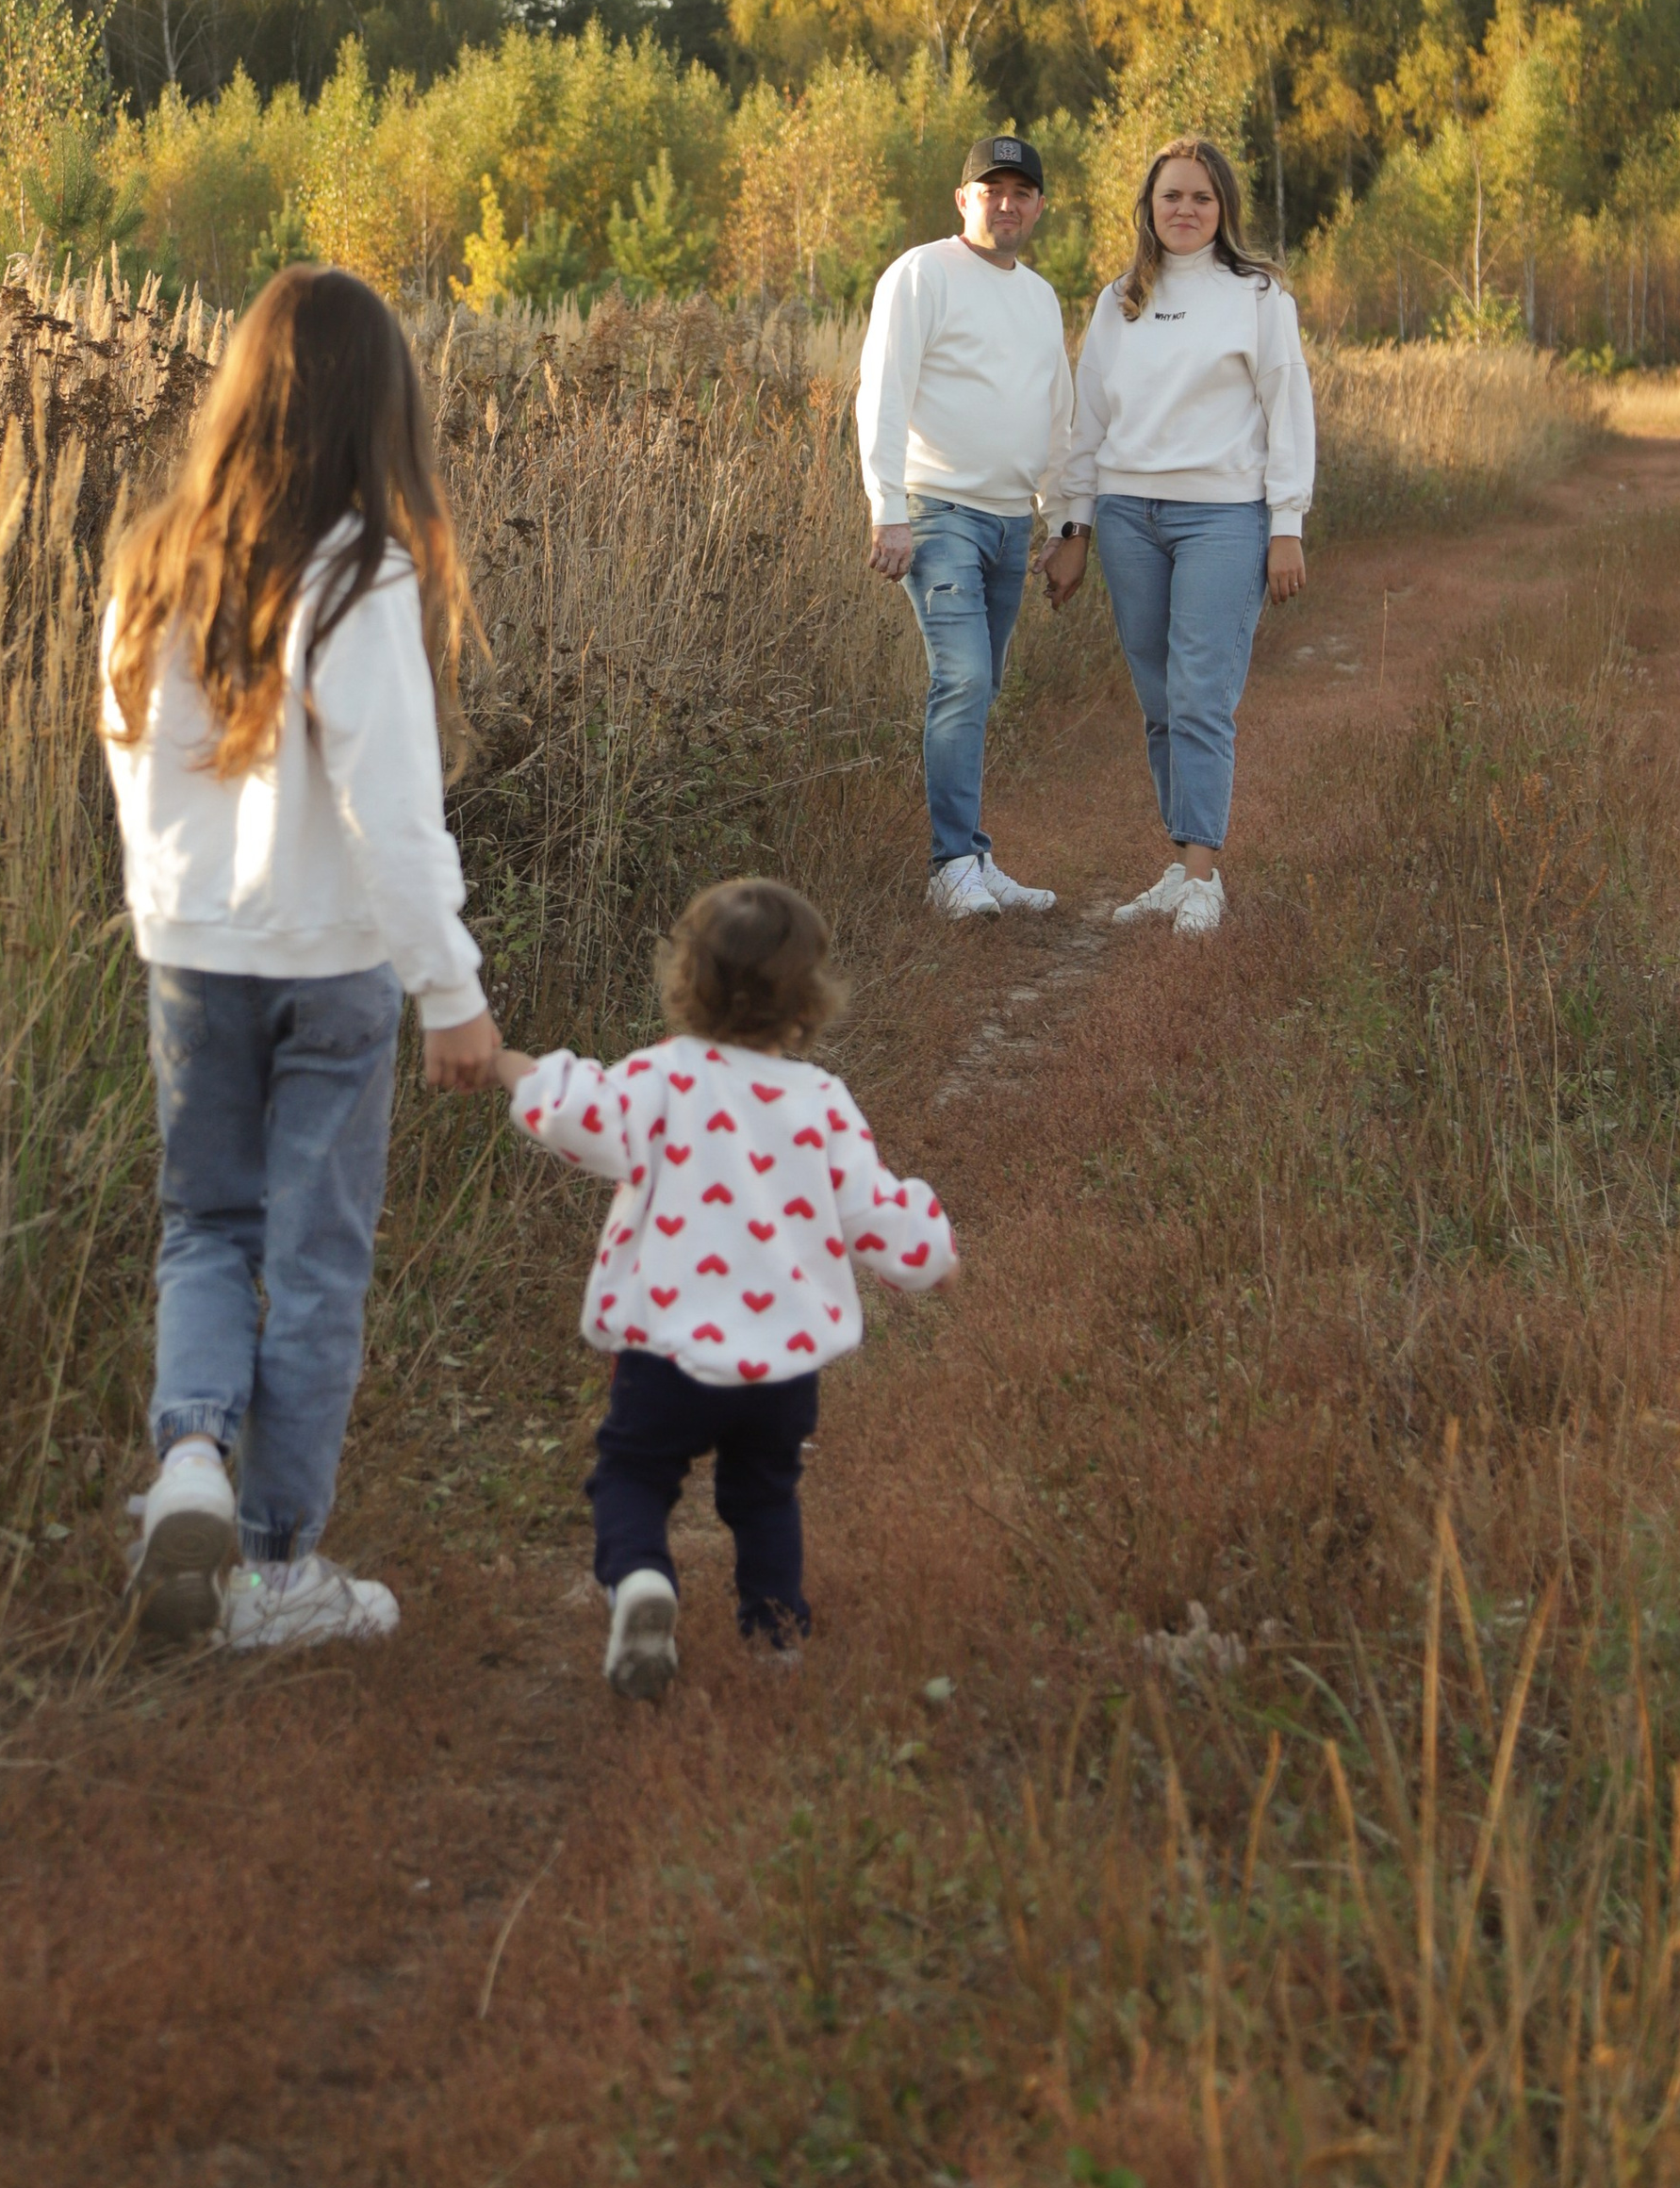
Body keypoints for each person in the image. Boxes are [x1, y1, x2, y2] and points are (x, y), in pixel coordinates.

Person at [100, 266, 503, 1654]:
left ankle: (192, 1460)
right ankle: (272, 1571)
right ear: (373, 404)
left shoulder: (159, 557)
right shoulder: (362, 570)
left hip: (192, 957)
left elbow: (133, 772)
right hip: (330, 963)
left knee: (204, 1227)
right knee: (317, 1253)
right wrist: (449, 992)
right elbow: (391, 810)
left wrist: (174, 917)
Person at [493, 878, 957, 1700]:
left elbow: (574, 1115)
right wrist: (931, 1250)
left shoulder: (659, 1079)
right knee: (764, 1494)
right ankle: (776, 1640)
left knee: (633, 1475)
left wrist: (513, 1067)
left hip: (664, 1352)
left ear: (686, 983)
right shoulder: (820, 1102)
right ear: (809, 1000)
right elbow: (872, 1212)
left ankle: (641, 1581)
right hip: (779, 1368)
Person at [1041, 138, 1314, 937]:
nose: (1186, 210)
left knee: (1201, 694)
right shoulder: (1118, 298)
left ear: (1223, 207)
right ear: (1148, 208)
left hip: (1224, 519)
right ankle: (1180, 862)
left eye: (1201, 197)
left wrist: (1286, 525)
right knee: (1160, 701)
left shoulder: (1258, 297)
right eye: (1171, 197)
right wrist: (1074, 527)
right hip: (1129, 519)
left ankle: (1202, 879)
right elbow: (1086, 424)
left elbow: (1286, 412)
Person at [854, 131, 1077, 921]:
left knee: (981, 690)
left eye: (1021, 192)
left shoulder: (1041, 297)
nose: (1007, 203)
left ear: (1039, 205)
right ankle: (949, 868)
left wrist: (1065, 523)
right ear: (964, 199)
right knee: (964, 679)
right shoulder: (922, 274)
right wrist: (887, 509)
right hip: (938, 511)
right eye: (992, 189)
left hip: (1012, 522)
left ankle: (974, 856)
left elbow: (1057, 416)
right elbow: (882, 391)